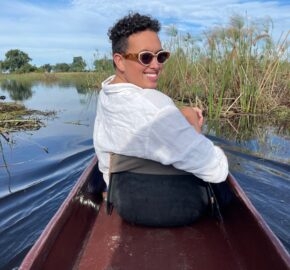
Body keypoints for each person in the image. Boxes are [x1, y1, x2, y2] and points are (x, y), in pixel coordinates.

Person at [93, 12, 229, 226]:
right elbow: (215, 168)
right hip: (179, 208)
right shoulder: (155, 107)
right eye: (145, 57)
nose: (156, 65)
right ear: (119, 61)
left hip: (123, 202)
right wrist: (193, 125)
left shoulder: (107, 91)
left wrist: (179, 115)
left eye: (161, 56)